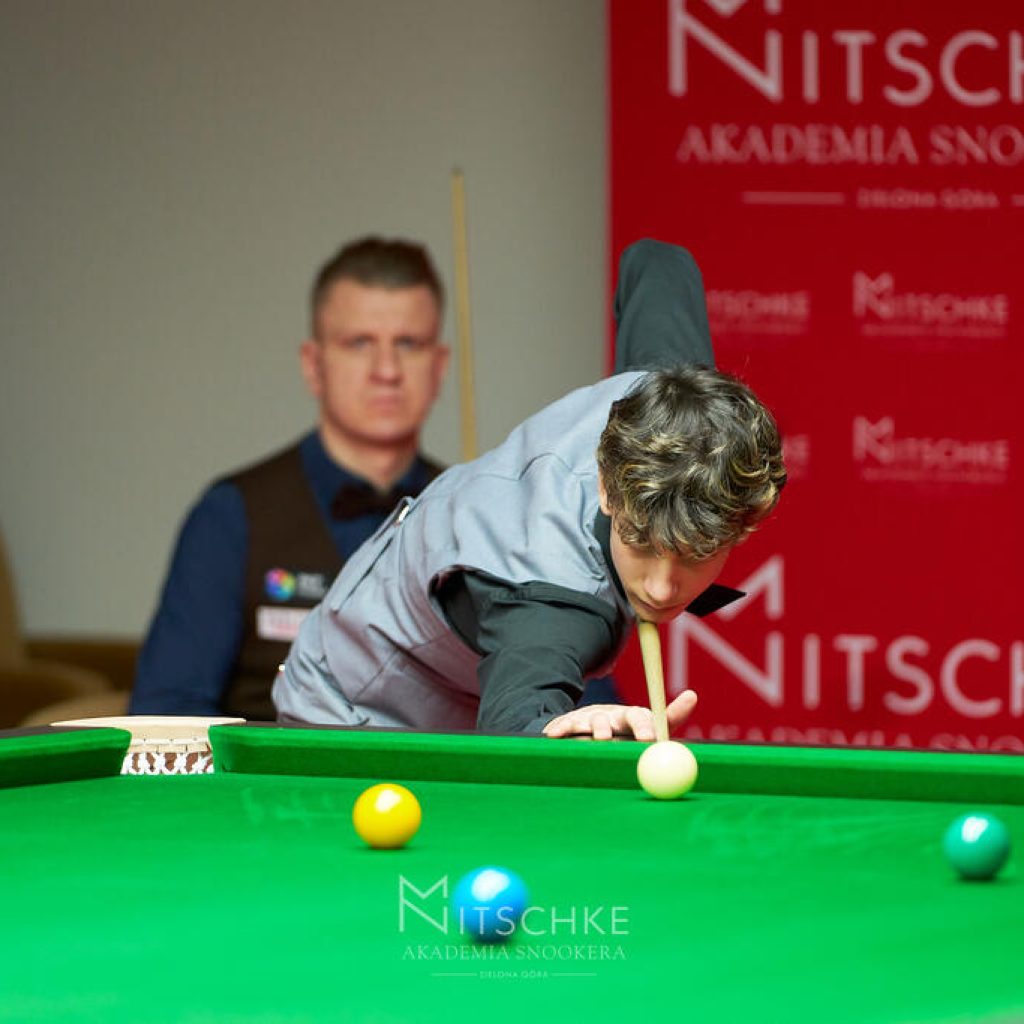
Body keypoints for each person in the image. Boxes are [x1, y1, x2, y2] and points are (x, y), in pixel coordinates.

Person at [272, 238, 786, 740]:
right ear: (608, 489)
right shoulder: (549, 599)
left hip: (453, 674)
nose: (661, 588)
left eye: (696, 554)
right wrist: (555, 736)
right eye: (642, 543)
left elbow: (656, 260)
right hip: (352, 709)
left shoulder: (673, 402)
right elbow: (516, 726)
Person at [130, 237, 451, 719]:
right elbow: (166, 715)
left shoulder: (473, 512)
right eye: (359, 343)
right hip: (266, 768)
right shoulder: (232, 515)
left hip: (432, 771)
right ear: (313, 365)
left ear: (439, 367)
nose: (386, 370)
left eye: (408, 344)